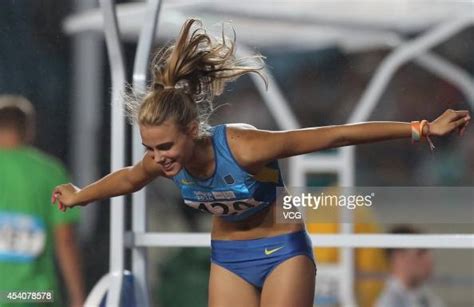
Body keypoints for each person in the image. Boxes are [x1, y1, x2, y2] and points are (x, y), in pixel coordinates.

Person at [51, 19, 470, 307]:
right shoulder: (158, 163)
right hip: (230, 257)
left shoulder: (244, 147)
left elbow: (336, 134)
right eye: (150, 148)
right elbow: (126, 179)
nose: (159, 158)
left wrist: (420, 128)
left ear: (192, 129)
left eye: (165, 146)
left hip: (282, 252)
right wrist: (80, 195)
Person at [0, 95, 85, 307]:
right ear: (29, 129)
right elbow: (65, 240)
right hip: (37, 296)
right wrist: (78, 297)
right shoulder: (51, 172)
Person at [375, 225, 445, 307]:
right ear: (399, 256)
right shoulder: (389, 303)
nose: (430, 260)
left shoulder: (426, 296)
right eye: (420, 253)